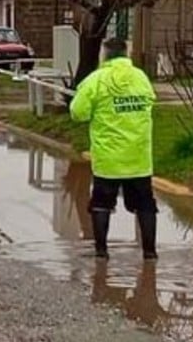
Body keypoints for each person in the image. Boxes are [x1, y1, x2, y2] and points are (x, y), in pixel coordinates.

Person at [69, 37, 158, 261]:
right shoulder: (140, 78)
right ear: (126, 54)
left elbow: (78, 113)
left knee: (101, 204)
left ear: (104, 55)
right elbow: (150, 102)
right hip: (138, 158)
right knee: (145, 205)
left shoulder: (96, 80)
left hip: (108, 159)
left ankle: (101, 251)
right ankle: (150, 252)